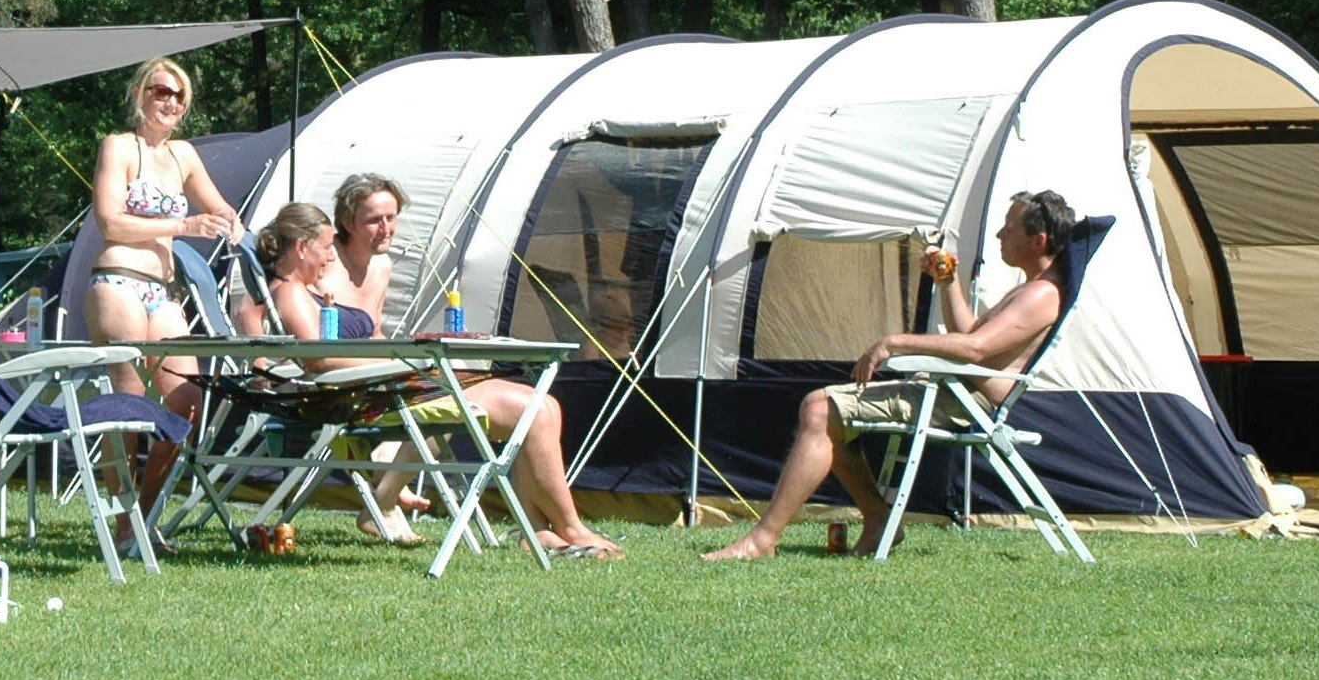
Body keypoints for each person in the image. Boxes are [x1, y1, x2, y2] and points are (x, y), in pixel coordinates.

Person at [704, 189, 1078, 561]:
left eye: (1009, 228)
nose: (999, 235)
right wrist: (947, 282)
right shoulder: (1031, 288)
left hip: (963, 401)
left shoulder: (1042, 294)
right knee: (826, 414)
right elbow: (969, 333)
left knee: (819, 411)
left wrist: (893, 342)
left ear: (1038, 240)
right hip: (953, 390)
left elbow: (975, 349)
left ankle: (763, 539)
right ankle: (879, 520)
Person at [254, 200, 622, 557]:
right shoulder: (290, 292)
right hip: (373, 395)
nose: (331, 256)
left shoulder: (312, 292)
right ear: (301, 248)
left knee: (546, 405)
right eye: (324, 247)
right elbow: (319, 359)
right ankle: (570, 528)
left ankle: (539, 529)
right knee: (535, 412)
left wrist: (403, 361)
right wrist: (402, 363)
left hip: (389, 384)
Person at [81, 55, 240, 503]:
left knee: (188, 398)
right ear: (139, 95)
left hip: (163, 292)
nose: (170, 101)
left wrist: (232, 220)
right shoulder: (118, 146)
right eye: (161, 91)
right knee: (128, 400)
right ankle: (122, 517)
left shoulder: (182, 155)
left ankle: (145, 510)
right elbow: (110, 222)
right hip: (119, 281)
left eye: (179, 95)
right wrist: (182, 226)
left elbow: (217, 205)